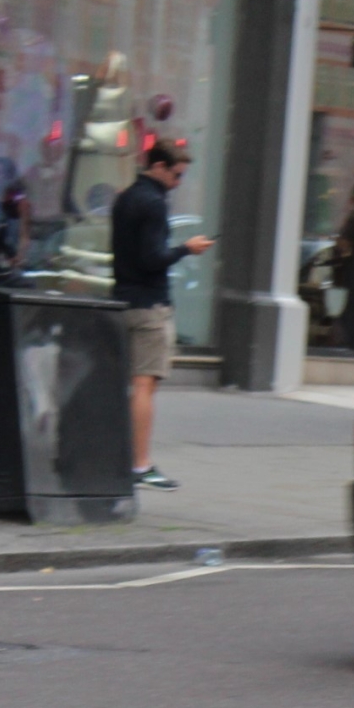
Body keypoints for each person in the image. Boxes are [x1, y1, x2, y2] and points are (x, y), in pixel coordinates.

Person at [109, 142, 213, 489]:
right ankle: (140, 464)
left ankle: (118, 458)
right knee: (144, 384)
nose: (178, 182)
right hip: (148, 306)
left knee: (127, 384)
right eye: (176, 174)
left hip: (122, 298)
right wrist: (187, 248)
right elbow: (152, 259)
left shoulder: (125, 198)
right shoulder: (153, 204)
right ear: (158, 166)